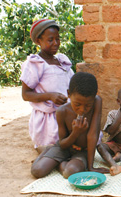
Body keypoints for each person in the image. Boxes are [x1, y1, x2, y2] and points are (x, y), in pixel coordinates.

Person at [31, 72, 109, 179]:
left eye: (88, 105)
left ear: (94, 97)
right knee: (37, 171)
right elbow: (63, 144)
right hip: (65, 147)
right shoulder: (62, 111)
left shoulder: (97, 101)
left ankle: (58, 162)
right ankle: (47, 151)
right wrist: (76, 132)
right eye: (77, 104)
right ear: (68, 94)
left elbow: (92, 135)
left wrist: (91, 167)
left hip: (83, 151)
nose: (82, 109)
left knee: (70, 172)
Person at [20, 19, 74, 154]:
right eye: (50, 40)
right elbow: (26, 94)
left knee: (74, 147)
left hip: (67, 115)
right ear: (39, 41)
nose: (55, 43)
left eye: (58, 39)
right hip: (49, 120)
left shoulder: (62, 62)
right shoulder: (35, 63)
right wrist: (50, 96)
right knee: (54, 151)